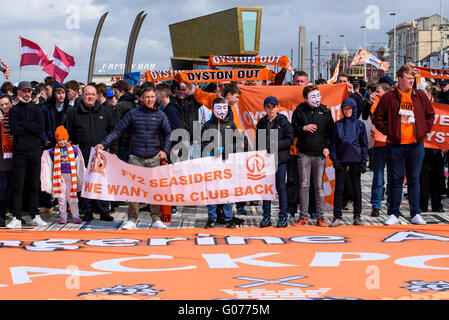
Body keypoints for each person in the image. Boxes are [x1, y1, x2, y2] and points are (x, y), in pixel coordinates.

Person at [96, 87, 172, 230]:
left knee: (155, 190)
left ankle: (156, 219)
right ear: (141, 99)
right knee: (134, 190)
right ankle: (132, 219)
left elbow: (169, 134)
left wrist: (165, 151)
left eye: (152, 97)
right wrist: (104, 143)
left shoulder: (161, 115)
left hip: (154, 157)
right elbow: (117, 131)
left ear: (155, 98)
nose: (150, 99)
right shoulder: (133, 114)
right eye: (147, 97)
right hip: (135, 157)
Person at [372, 64, 435, 225]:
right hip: (395, 144)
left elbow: (430, 115)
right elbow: (377, 117)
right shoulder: (389, 97)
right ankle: (394, 212)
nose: (411, 81)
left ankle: (415, 213)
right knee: (395, 179)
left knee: (414, 179)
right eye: (408, 78)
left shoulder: (420, 95)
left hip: (415, 144)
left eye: (413, 78)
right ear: (400, 79)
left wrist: (423, 131)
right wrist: (389, 131)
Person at [65, 85, 117, 222]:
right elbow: (67, 132)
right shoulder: (74, 113)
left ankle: (104, 211)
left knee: (102, 183)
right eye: (87, 94)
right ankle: (87, 210)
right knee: (86, 184)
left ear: (97, 96)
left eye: (93, 94)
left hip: (102, 156)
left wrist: (113, 151)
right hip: (82, 154)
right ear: (82, 95)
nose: (90, 97)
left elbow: (114, 132)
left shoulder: (105, 111)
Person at [291, 85, 334, 227]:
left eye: (318, 95)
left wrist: (327, 147)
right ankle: (302, 216)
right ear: (305, 99)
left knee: (319, 186)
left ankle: (320, 216)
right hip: (304, 153)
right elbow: (292, 130)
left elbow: (330, 132)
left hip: (320, 155)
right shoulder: (299, 111)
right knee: (303, 185)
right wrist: (303, 128)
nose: (317, 99)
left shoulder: (325, 111)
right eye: (313, 97)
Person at [6, 81, 47, 228]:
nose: (27, 93)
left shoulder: (37, 109)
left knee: (34, 184)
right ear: (19, 92)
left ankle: (35, 214)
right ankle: (16, 216)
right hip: (20, 152)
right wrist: (30, 126)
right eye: (24, 91)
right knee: (18, 184)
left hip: (35, 151)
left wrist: (24, 124)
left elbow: (40, 128)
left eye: (29, 91)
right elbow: (14, 130)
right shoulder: (14, 110)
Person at [202, 97, 243, 229]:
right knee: (212, 190)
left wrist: (229, 150)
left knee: (227, 191)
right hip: (212, 163)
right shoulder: (208, 125)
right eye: (218, 108)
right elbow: (202, 143)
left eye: (224, 108)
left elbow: (238, 141)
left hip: (228, 163)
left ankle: (228, 218)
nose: (221, 111)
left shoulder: (231, 124)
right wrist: (211, 149)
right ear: (213, 109)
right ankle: (211, 218)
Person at [329, 98, 368, 226]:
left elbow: (364, 145)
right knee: (339, 188)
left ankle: (357, 216)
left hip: (356, 159)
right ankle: (337, 216)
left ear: (354, 109)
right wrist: (334, 159)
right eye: (345, 109)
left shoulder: (359, 125)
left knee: (357, 188)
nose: (347, 111)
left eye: (349, 109)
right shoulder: (338, 124)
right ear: (342, 110)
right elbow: (333, 144)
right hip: (341, 159)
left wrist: (364, 161)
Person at [256, 96, 293, 228]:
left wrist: (275, 145)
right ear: (265, 108)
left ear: (278, 108)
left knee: (281, 187)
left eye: (273, 107)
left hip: (280, 160)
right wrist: (260, 154)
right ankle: (266, 216)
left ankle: (283, 216)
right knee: (266, 188)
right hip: (266, 161)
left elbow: (289, 139)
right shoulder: (261, 122)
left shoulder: (283, 122)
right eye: (268, 107)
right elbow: (259, 142)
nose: (271, 110)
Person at [41, 126, 85, 224]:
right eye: (60, 140)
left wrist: (80, 177)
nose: (62, 142)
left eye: (64, 139)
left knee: (72, 196)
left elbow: (79, 163)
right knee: (61, 197)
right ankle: (63, 216)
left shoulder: (73, 149)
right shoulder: (53, 151)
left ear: (67, 139)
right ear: (56, 140)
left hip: (71, 176)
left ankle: (76, 216)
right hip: (59, 177)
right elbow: (49, 164)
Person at [369, 83, 393, 217]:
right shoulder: (373, 104)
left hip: (392, 143)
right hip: (378, 144)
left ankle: (391, 205)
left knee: (392, 176)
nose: (375, 93)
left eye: (378, 91)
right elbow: (366, 118)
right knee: (378, 177)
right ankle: (376, 205)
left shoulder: (394, 103)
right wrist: (370, 104)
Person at [111, 80, 137, 163]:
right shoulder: (135, 104)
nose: (114, 94)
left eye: (116, 92)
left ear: (122, 92)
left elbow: (116, 127)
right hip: (133, 143)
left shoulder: (119, 106)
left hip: (123, 143)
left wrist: (114, 148)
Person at [0, 95, 14, 227]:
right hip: (3, 157)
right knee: (3, 187)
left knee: (15, 188)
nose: (4, 107)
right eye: (2, 105)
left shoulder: (16, 115)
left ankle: (16, 215)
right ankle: (2, 215)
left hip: (17, 155)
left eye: (6, 104)